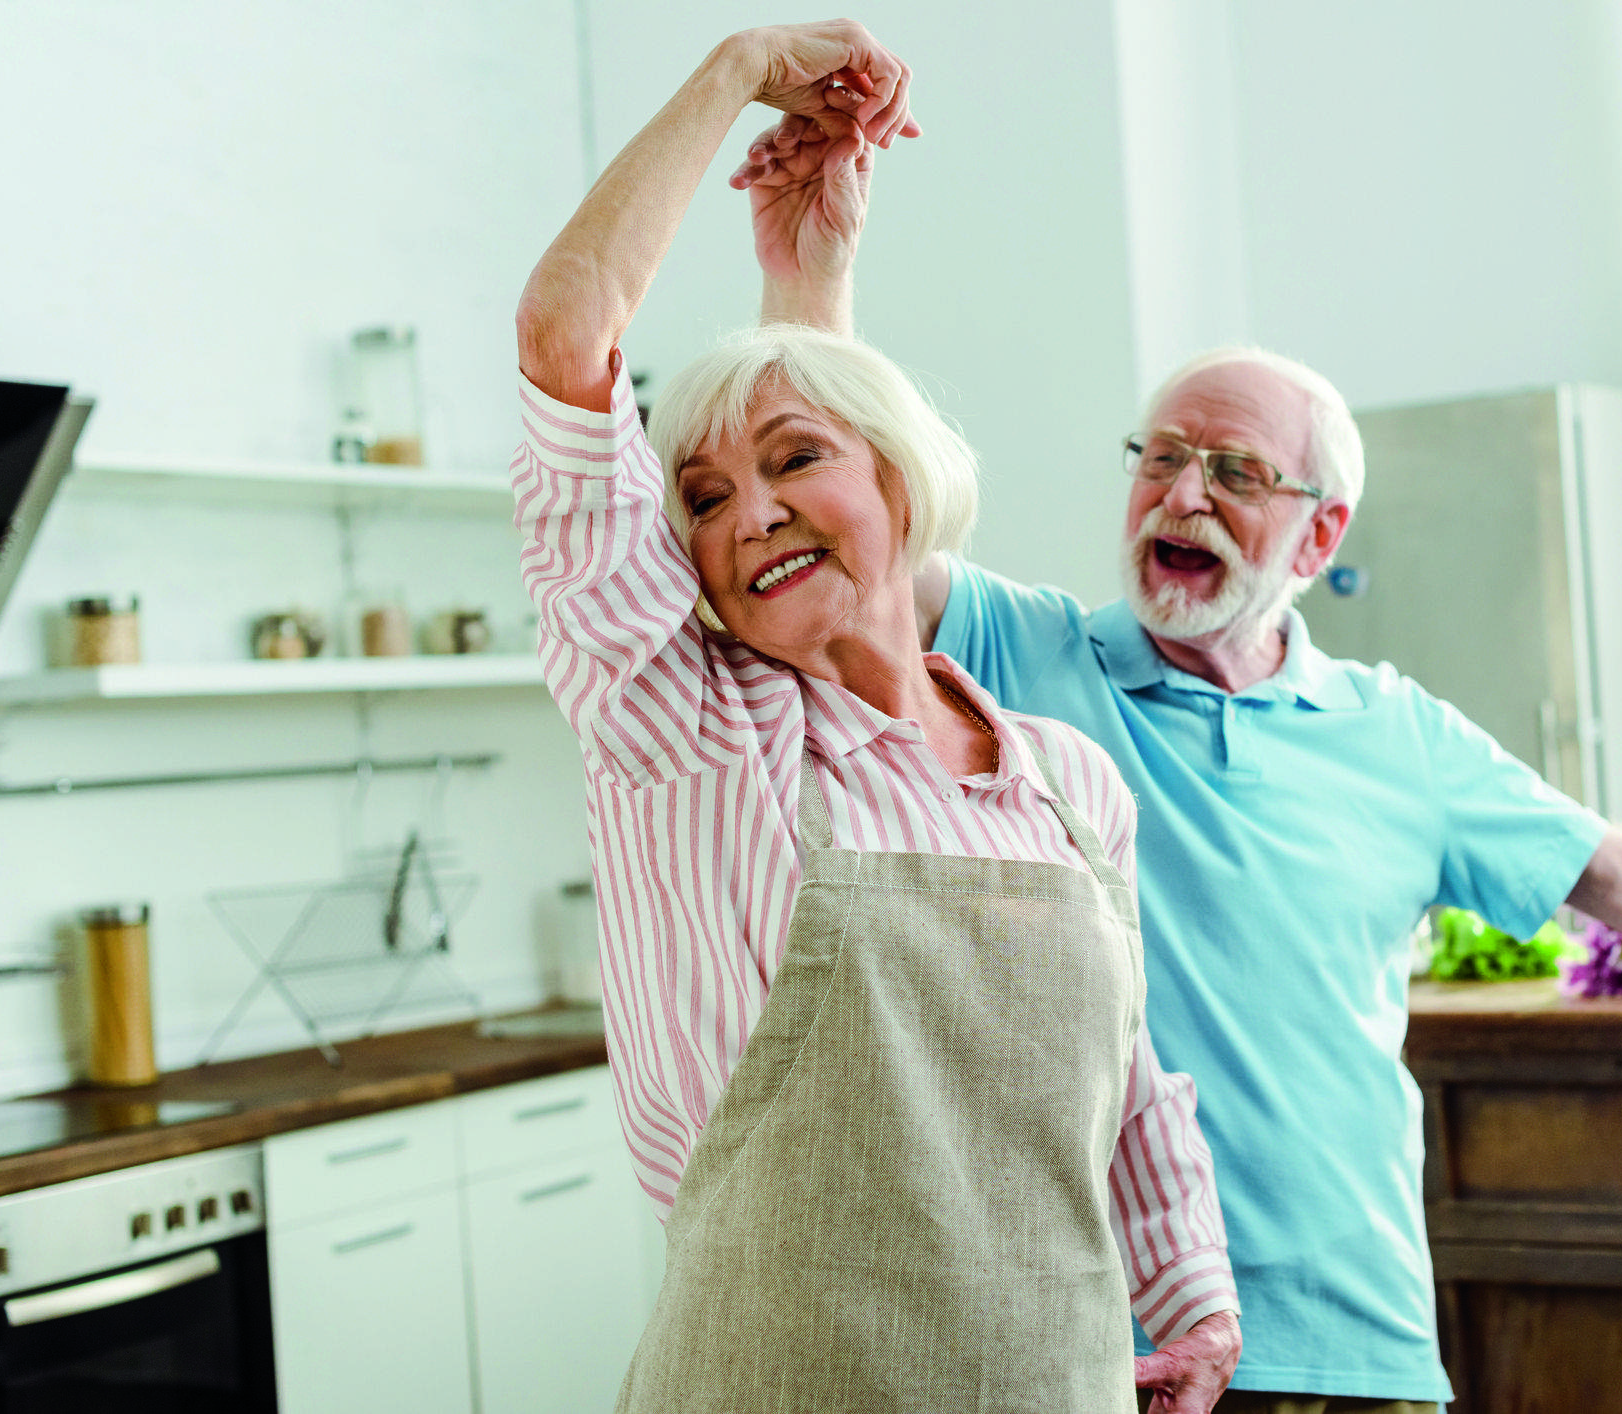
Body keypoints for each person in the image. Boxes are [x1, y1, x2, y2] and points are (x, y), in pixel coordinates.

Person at [733, 111, 1622, 1413]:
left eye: (1234, 471)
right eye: (1163, 458)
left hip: (1356, 1348)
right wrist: (810, 275)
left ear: (1317, 536)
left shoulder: (1393, 731)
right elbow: (848, 533)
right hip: (1093, 1345)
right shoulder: (1021, 658)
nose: (1182, 495)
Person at [511, 22, 1242, 1412]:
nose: (751, 512)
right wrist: (737, 71)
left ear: (905, 487)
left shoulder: (1069, 785)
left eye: (794, 464)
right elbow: (565, 332)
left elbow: (1130, 1089)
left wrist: (1195, 1302)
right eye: (704, 501)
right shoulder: (693, 735)